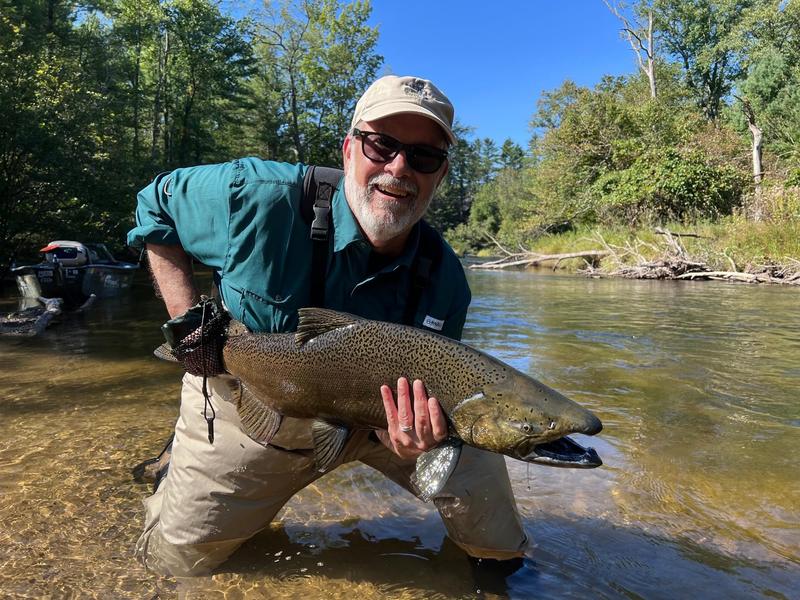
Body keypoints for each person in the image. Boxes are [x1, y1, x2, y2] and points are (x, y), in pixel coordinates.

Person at [128, 75, 528, 577]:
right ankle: (175, 468)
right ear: (348, 150)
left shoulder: (445, 279)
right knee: (176, 567)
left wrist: (416, 438)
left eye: (423, 157)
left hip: (371, 422)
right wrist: (187, 321)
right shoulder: (256, 199)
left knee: (502, 542)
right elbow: (155, 203)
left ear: (440, 175)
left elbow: (441, 391)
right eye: (382, 145)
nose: (399, 168)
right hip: (251, 405)